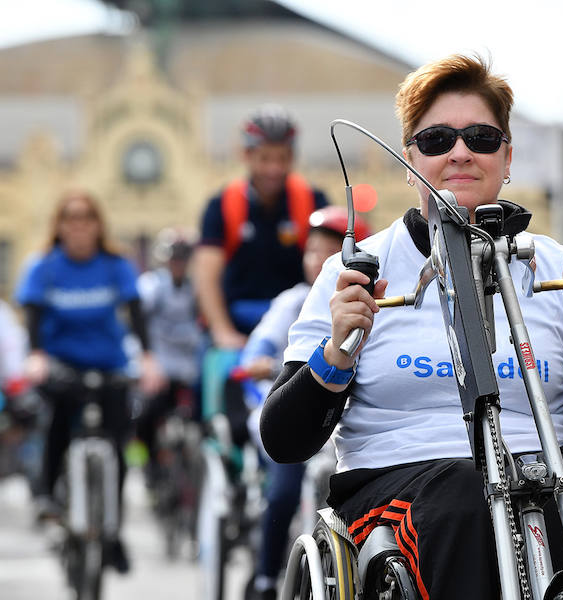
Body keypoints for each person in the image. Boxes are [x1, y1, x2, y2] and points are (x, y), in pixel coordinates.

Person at [260, 54, 563, 599]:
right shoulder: (353, 272)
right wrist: (336, 355)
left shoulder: (557, 266)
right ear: (409, 160)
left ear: (506, 156)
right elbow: (283, 440)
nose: (459, 152)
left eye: (480, 137)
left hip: (547, 472)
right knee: (467, 496)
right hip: (402, 483)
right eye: (436, 141)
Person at [16, 189, 165, 573]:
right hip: (62, 365)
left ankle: (112, 529)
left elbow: (135, 314)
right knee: (57, 426)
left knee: (117, 444)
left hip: (109, 364)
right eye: (72, 219)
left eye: (86, 219)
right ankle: (49, 498)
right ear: (60, 226)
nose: (79, 227)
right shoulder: (44, 267)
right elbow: (31, 315)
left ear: (98, 225)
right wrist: (36, 357)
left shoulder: (116, 265)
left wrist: (147, 360)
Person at [241, 207, 369, 600]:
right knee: (281, 490)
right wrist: (258, 364)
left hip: (343, 425)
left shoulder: (371, 302)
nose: (319, 261)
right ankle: (266, 578)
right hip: (289, 412)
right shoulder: (292, 301)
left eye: (331, 253)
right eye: (313, 251)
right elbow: (260, 346)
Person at [194, 104, 330, 350]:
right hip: (237, 326)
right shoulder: (222, 205)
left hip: (297, 324)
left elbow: (331, 263)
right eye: (265, 158)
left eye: (282, 158)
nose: (274, 169)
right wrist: (223, 332)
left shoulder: (313, 202)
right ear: (246, 155)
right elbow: (206, 277)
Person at [134, 228, 203, 483]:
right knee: (147, 414)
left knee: (197, 415)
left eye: (183, 259)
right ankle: (146, 462)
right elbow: (136, 320)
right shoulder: (152, 286)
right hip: (159, 363)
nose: (178, 264)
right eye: (174, 258)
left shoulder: (193, 289)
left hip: (186, 364)